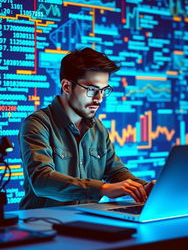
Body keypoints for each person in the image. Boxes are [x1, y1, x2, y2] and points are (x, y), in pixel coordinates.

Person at [18, 47, 155, 209]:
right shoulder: (37, 124)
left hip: (87, 220)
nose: (99, 99)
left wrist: (145, 188)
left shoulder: (97, 128)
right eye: (92, 90)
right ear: (67, 86)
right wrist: (102, 188)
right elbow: (42, 181)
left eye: (104, 91)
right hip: (43, 224)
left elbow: (115, 171)